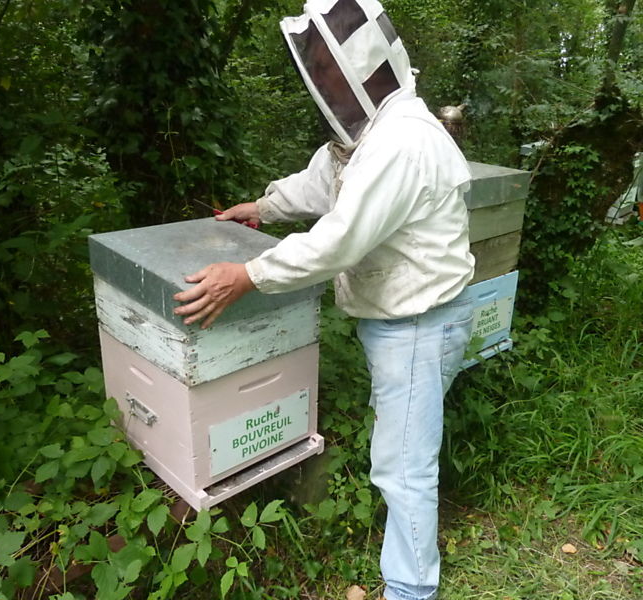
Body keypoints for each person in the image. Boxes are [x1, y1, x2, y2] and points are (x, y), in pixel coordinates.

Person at [174, 1, 475, 598]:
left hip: (418, 324)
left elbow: (337, 241)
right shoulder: (371, 135)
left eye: (331, 72)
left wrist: (249, 276)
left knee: (405, 466)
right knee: (401, 448)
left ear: (363, 71)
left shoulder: (403, 142)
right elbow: (320, 183)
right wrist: (261, 209)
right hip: (404, 320)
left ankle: (412, 590)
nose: (325, 86)